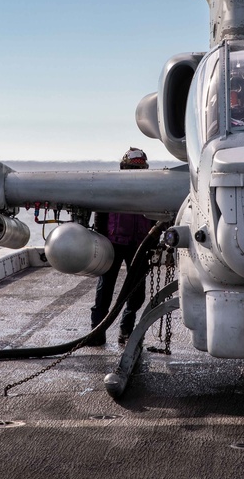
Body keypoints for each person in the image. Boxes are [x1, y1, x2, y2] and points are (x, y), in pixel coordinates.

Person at [88, 147, 156, 346]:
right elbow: (101, 214)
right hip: (113, 244)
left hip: (140, 245)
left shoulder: (151, 189)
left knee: (137, 293)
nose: (136, 172)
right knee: (105, 290)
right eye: (132, 168)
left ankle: (126, 330)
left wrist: (153, 243)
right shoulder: (111, 187)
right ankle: (97, 332)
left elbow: (157, 216)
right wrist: (101, 241)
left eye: (140, 168)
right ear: (123, 167)